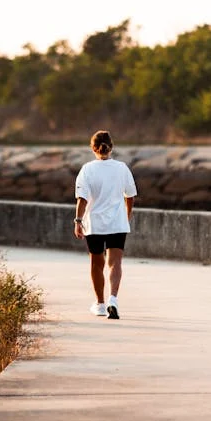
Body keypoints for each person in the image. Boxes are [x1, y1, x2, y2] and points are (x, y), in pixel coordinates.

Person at [73, 130, 137, 320]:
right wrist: (126, 215)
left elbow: (82, 199)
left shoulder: (87, 169)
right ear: (112, 147)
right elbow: (130, 196)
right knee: (115, 263)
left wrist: (77, 221)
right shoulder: (122, 168)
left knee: (96, 263)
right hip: (117, 223)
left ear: (93, 148)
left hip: (94, 224)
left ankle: (100, 304)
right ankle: (113, 300)